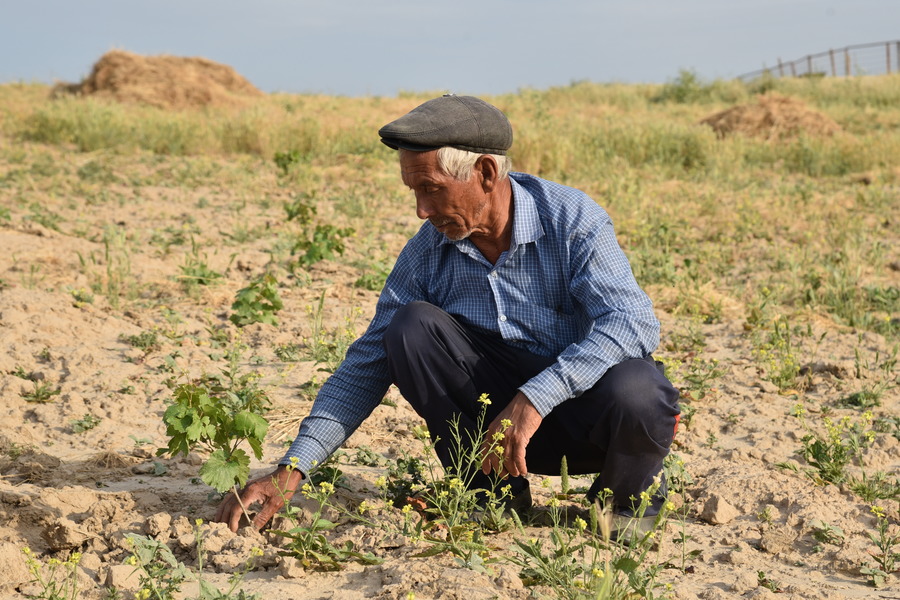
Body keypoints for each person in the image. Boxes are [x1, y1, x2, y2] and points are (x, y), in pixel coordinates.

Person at [215, 95, 680, 535]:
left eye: (432, 190)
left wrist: (534, 398)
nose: (421, 210)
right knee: (410, 327)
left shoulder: (571, 219)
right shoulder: (428, 252)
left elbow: (631, 321)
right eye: (414, 190)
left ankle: (622, 503)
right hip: (493, 442)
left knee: (639, 390)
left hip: (583, 423)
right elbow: (366, 365)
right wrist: (292, 469)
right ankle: (492, 494)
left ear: (485, 173)